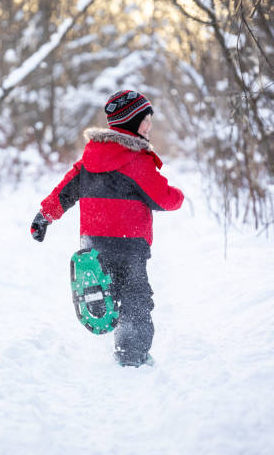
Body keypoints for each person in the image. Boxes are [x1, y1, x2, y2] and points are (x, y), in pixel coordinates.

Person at [30, 90, 184, 367]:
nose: (149, 126)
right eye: (145, 120)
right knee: (136, 298)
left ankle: (106, 320)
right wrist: (179, 196)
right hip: (130, 245)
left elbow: (65, 191)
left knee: (106, 289)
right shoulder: (136, 160)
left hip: (94, 243)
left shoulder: (89, 159)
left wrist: (44, 216)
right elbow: (163, 199)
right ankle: (132, 354)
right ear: (130, 123)